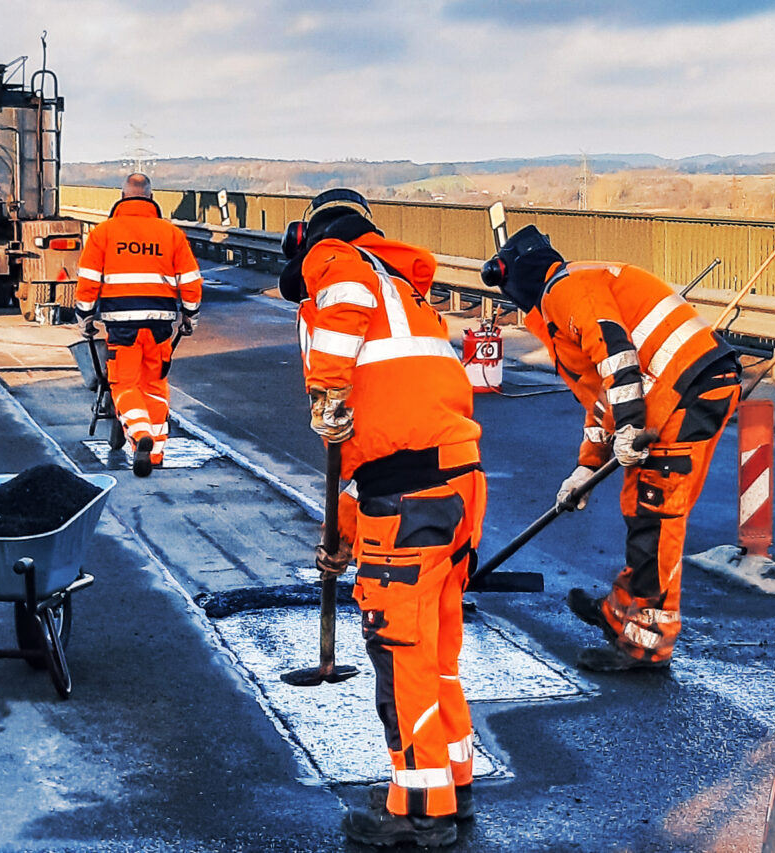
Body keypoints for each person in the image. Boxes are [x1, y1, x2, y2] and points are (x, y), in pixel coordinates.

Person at [284, 188, 484, 848]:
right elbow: (370, 443)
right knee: (437, 647)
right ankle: (453, 784)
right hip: (453, 479)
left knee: (400, 652)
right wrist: (340, 532)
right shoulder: (402, 287)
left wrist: (327, 387)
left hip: (409, 494)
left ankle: (421, 811)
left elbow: (343, 308)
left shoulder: (338, 261)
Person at [482, 226, 741, 672]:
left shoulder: (566, 290)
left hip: (687, 387)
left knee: (655, 512)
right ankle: (620, 610)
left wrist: (630, 425)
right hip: (678, 387)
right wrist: (586, 468)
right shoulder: (569, 295)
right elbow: (602, 397)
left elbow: (616, 355)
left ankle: (647, 642)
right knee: (640, 504)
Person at [74, 186, 200, 476]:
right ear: (151, 197)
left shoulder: (103, 233)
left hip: (122, 326)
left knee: (125, 385)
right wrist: (190, 316)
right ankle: (154, 454)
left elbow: (89, 280)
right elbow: (191, 280)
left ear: (122, 197)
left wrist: (84, 316)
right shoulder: (170, 233)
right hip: (159, 327)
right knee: (155, 386)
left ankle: (141, 433)